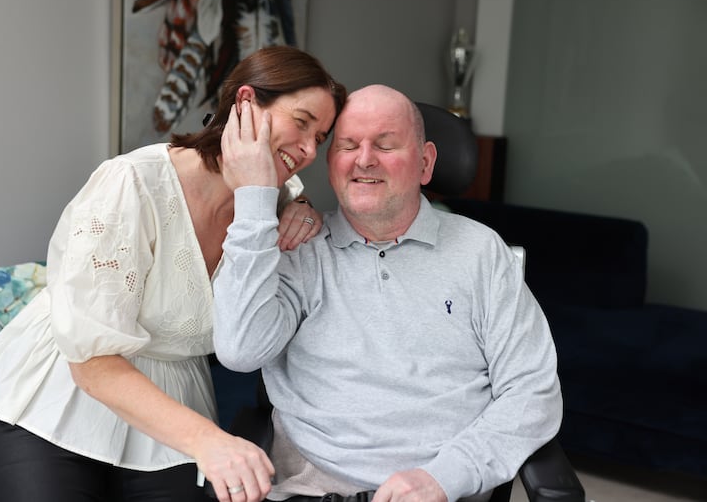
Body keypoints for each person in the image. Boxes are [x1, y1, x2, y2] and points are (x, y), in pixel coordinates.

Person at [0, 46, 346, 502]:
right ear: (246, 102)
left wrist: (300, 209)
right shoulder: (130, 183)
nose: (307, 150)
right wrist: (210, 440)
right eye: (301, 122)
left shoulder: (271, 204)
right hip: (59, 393)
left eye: (320, 138)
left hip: (172, 400)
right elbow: (93, 363)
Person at [213, 84, 563, 502]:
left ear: (426, 163)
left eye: (385, 145)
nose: (364, 159)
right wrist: (254, 200)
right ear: (330, 164)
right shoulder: (299, 249)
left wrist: (445, 477)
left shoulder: (482, 254)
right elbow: (238, 352)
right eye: (347, 145)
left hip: (442, 491)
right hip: (315, 492)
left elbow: (533, 391)